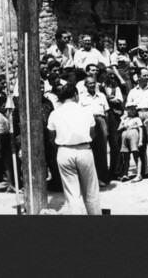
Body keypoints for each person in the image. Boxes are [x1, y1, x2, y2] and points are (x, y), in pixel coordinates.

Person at [47, 82, 101, 215]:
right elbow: (93, 133)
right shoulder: (85, 111)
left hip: (64, 151)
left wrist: (62, 146)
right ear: (76, 95)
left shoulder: (55, 113)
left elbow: (51, 137)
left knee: (72, 194)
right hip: (84, 150)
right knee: (91, 192)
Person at [125, 67, 148, 178]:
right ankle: (144, 171)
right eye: (144, 75)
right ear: (138, 77)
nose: (147, 77)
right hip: (137, 115)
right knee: (140, 143)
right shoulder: (133, 91)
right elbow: (128, 105)